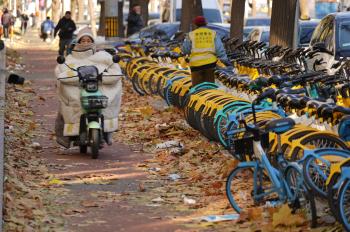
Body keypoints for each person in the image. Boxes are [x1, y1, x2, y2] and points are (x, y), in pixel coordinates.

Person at [55, 27, 122, 148]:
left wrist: (102, 77)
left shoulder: (103, 56)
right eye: (83, 41)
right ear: (78, 42)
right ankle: (68, 135)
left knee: (107, 100)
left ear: (93, 42)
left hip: (97, 89)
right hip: (79, 89)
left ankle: (107, 132)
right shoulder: (70, 59)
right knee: (66, 104)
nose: (86, 43)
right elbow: (61, 71)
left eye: (88, 40)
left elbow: (114, 69)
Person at [182, 16, 229, 86]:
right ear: (206, 23)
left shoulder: (191, 34)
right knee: (209, 87)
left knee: (197, 88)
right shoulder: (213, 33)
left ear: (195, 24)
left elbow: (185, 50)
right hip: (210, 64)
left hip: (195, 65)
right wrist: (224, 60)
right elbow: (219, 49)